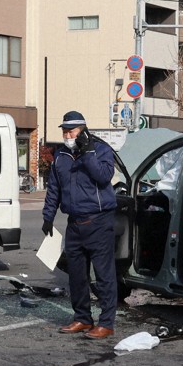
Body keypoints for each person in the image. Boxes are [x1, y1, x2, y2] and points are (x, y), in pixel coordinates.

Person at [42, 110, 118, 340]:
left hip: (99, 221)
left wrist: (86, 153)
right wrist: (48, 216)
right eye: (64, 131)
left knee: (104, 275)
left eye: (71, 131)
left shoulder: (101, 149)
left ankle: (106, 322)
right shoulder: (61, 155)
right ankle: (83, 318)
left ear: (83, 130)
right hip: (74, 223)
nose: (67, 135)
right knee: (77, 275)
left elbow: (104, 176)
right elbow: (54, 188)